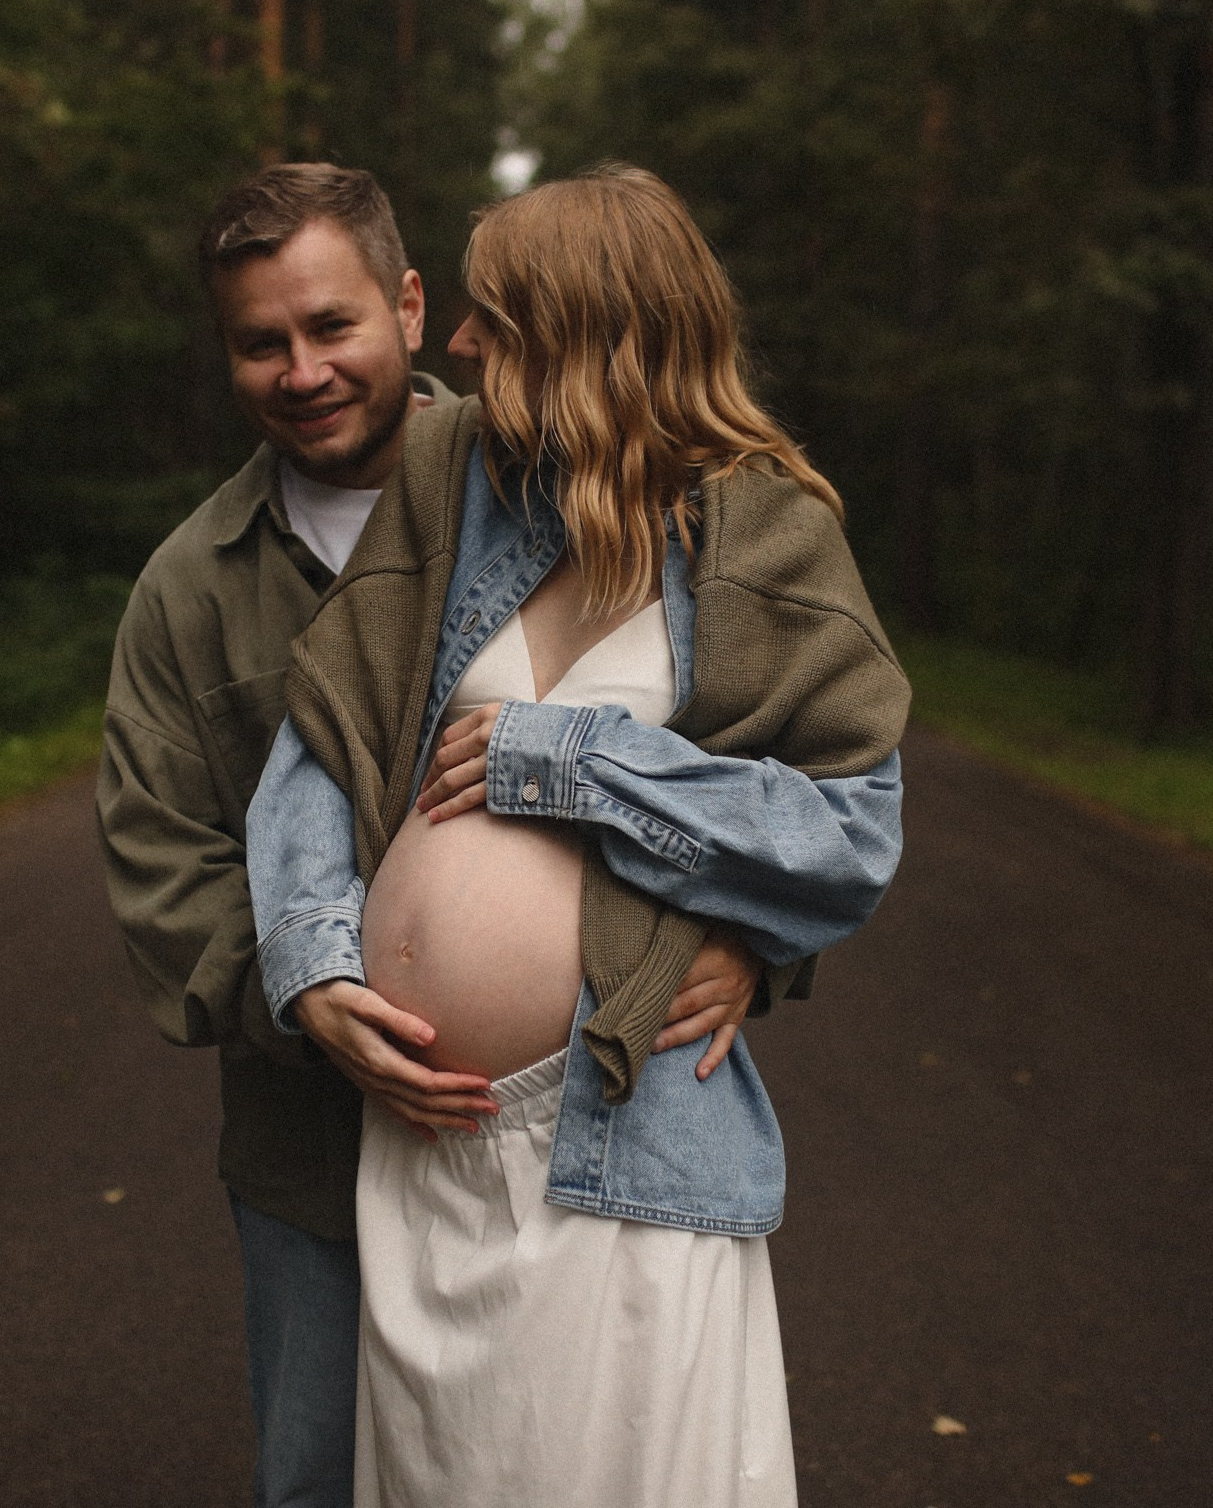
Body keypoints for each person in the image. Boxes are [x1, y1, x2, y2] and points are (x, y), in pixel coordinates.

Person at [96, 163, 771, 1508]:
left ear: (409, 307)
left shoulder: (579, 479)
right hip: (315, 1159)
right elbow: (161, 865)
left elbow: (762, 753)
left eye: (330, 325)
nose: (302, 370)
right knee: (319, 1479)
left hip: (582, 1144)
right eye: (260, 342)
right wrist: (308, 998)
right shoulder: (188, 588)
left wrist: (754, 941)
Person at [245, 164, 910, 1506]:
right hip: (424, 1143)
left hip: (625, 1128)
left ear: (590, 335)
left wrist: (578, 761)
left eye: (496, 317)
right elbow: (321, 741)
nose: (463, 346)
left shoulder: (770, 536)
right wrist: (315, 962)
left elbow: (847, 833)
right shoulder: (452, 477)